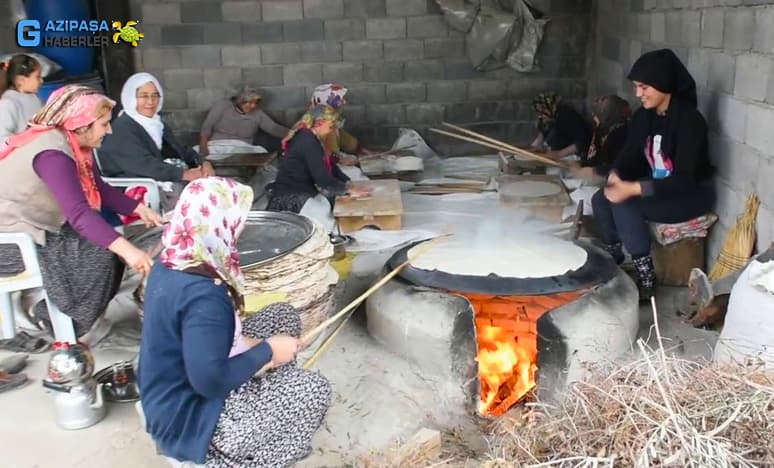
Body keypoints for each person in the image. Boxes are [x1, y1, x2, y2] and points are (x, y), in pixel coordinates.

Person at [138, 177, 331, 467]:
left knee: (282, 315)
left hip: (171, 389)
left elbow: (203, 340)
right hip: (190, 419)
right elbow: (209, 382)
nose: (240, 228)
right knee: (314, 389)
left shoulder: (173, 260)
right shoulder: (205, 296)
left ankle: (269, 394)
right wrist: (267, 351)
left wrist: (258, 348)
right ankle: (249, 458)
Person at [0, 85, 161, 347]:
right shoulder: (52, 154)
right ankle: (65, 321)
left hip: (33, 229)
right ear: (81, 124)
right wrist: (129, 251)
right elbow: (79, 214)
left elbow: (100, 189)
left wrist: (139, 209)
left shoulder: (74, 147)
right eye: (104, 124)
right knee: (103, 249)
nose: (108, 131)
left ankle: (79, 315)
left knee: (109, 242)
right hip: (10, 241)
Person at [591, 49, 715, 301]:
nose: (638, 94)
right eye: (637, 86)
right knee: (601, 199)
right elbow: (630, 154)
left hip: (688, 194)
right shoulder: (644, 117)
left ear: (663, 84)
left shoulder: (690, 122)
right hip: (659, 186)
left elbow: (683, 180)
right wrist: (616, 174)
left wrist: (633, 189)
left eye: (644, 87)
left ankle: (646, 276)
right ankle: (614, 257)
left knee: (626, 205)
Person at [98, 72, 215, 211]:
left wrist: (204, 163)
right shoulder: (121, 129)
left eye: (155, 95)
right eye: (144, 96)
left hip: (162, 179)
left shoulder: (156, 124)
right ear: (130, 97)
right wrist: (184, 174)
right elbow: (143, 165)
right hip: (135, 188)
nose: (150, 101)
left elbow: (180, 150)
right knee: (200, 199)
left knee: (216, 188)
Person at [266, 104, 371, 214]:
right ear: (319, 123)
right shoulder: (307, 140)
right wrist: (347, 190)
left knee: (328, 204)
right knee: (324, 213)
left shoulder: (311, 137)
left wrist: (347, 182)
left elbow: (330, 165)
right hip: (289, 197)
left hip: (301, 189)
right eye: (330, 127)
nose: (331, 131)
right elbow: (322, 179)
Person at [198, 87, 289, 156]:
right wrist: (203, 147)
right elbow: (207, 125)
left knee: (262, 157)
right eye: (249, 102)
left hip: (242, 148)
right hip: (217, 145)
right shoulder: (223, 106)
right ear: (240, 101)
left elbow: (273, 128)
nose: (252, 106)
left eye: (255, 103)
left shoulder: (258, 114)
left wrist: (294, 133)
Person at [309, 83, 373, 165]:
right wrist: (340, 160)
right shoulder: (320, 123)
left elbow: (348, 142)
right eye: (340, 99)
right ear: (329, 101)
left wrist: (368, 153)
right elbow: (320, 151)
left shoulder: (331, 121)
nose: (344, 101)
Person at [571, 94, 631, 180]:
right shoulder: (603, 129)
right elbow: (596, 157)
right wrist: (580, 164)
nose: (594, 119)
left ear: (608, 116)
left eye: (596, 116)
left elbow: (620, 166)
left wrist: (594, 171)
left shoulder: (622, 133)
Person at [529, 91, 592, 161]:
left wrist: (559, 154)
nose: (540, 116)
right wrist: (534, 147)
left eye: (541, 112)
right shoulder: (549, 117)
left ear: (549, 107)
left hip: (571, 158)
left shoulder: (567, 116)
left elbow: (582, 142)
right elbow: (542, 134)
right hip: (553, 154)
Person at [0, 54, 43, 142]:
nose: (41, 80)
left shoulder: (35, 98)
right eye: (38, 77)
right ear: (21, 80)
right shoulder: (7, 103)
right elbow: (2, 139)